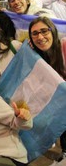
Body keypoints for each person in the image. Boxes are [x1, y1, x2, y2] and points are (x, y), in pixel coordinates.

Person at [28, 16, 66, 160]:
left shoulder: (64, 46)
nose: (40, 37)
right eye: (35, 33)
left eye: (44, 31)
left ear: (53, 31)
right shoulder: (36, 56)